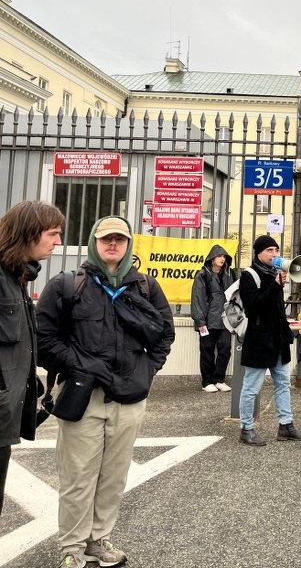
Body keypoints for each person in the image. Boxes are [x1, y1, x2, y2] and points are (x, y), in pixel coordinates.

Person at [36, 216, 174, 568]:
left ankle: (99, 541)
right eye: (105, 239)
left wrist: (148, 370)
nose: (113, 244)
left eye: (120, 239)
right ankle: (72, 547)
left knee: (113, 476)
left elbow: (165, 334)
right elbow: (43, 338)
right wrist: (78, 365)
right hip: (83, 396)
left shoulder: (145, 287)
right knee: (78, 476)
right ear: (93, 242)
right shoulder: (67, 286)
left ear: (128, 244)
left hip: (130, 399)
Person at [0, 201, 64, 518]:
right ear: (28, 233)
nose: (58, 242)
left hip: (5, 414)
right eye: (52, 234)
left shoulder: (16, 278)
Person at [238, 235, 301, 446]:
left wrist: (278, 284)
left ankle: (286, 426)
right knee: (251, 386)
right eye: (269, 250)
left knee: (283, 384)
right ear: (258, 253)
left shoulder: (274, 274)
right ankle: (246, 428)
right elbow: (254, 306)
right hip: (260, 340)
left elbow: (276, 309)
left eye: (276, 250)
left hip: (277, 339)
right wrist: (275, 286)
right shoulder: (248, 275)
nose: (274, 254)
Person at [190, 244, 235, 393]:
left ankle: (219, 379)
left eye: (224, 257)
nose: (222, 259)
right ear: (212, 258)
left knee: (225, 348)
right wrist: (200, 321)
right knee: (207, 350)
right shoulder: (202, 275)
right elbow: (197, 299)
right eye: (219, 256)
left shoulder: (230, 274)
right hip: (207, 320)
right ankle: (207, 381)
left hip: (225, 320)